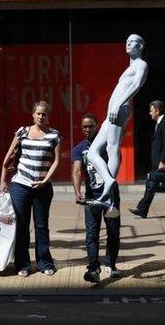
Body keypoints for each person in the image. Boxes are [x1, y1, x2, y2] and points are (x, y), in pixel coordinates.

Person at [0, 101, 61, 277]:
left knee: (42, 226)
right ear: (33, 115)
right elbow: (9, 155)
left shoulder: (54, 135)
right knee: (22, 226)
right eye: (38, 113)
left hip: (43, 188)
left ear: (49, 116)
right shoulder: (22, 132)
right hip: (20, 185)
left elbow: (56, 161)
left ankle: (45, 263)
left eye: (45, 114)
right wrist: (3, 180)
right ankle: (23, 265)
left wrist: (45, 180)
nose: (41, 116)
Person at [87, 34, 148, 205]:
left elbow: (135, 86)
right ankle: (108, 180)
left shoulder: (141, 64)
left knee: (112, 147)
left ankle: (108, 189)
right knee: (92, 152)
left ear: (141, 46)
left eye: (132, 42)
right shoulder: (131, 66)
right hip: (113, 112)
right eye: (127, 41)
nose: (128, 44)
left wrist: (117, 105)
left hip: (119, 109)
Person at [72, 114, 121, 283]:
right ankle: (94, 269)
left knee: (113, 231)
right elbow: (77, 170)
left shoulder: (107, 145)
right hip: (91, 196)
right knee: (91, 234)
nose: (87, 130)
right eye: (84, 127)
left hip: (111, 195)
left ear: (97, 126)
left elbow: (116, 160)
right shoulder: (79, 149)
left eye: (90, 126)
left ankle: (111, 264)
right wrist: (77, 192)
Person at [129, 100, 165, 218]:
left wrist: (163, 161)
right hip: (157, 162)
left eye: (151, 111)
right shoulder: (159, 123)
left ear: (157, 111)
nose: (150, 113)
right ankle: (142, 209)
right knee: (151, 185)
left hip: (161, 162)